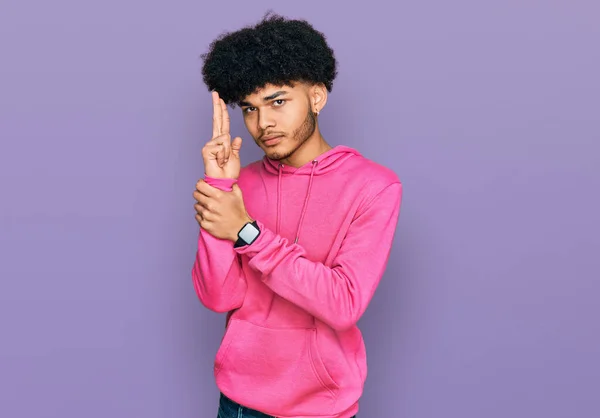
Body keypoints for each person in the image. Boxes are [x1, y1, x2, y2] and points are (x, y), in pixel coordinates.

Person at [192, 12, 402, 418]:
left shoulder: (374, 186)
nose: (263, 123)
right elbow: (219, 297)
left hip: (318, 409)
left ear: (317, 97)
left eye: (278, 102)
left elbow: (344, 303)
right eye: (249, 109)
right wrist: (220, 189)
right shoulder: (242, 183)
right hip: (236, 403)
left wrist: (247, 233)